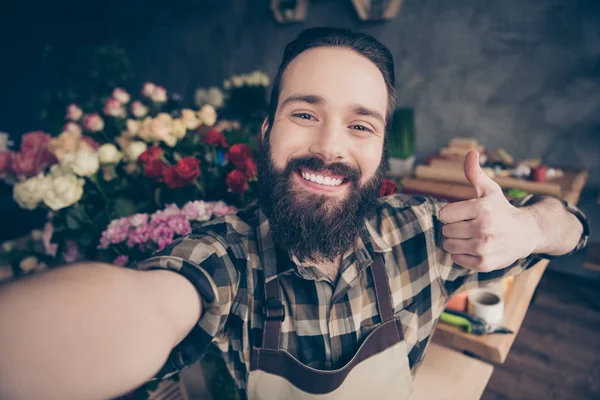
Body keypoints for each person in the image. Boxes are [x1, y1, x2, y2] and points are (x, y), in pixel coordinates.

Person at [0, 27, 589, 400]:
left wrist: (529, 226)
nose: (331, 147)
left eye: (361, 125)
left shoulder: (423, 235)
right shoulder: (225, 258)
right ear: (267, 130)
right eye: (305, 113)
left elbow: (574, 226)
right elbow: (147, 307)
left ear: (382, 149)